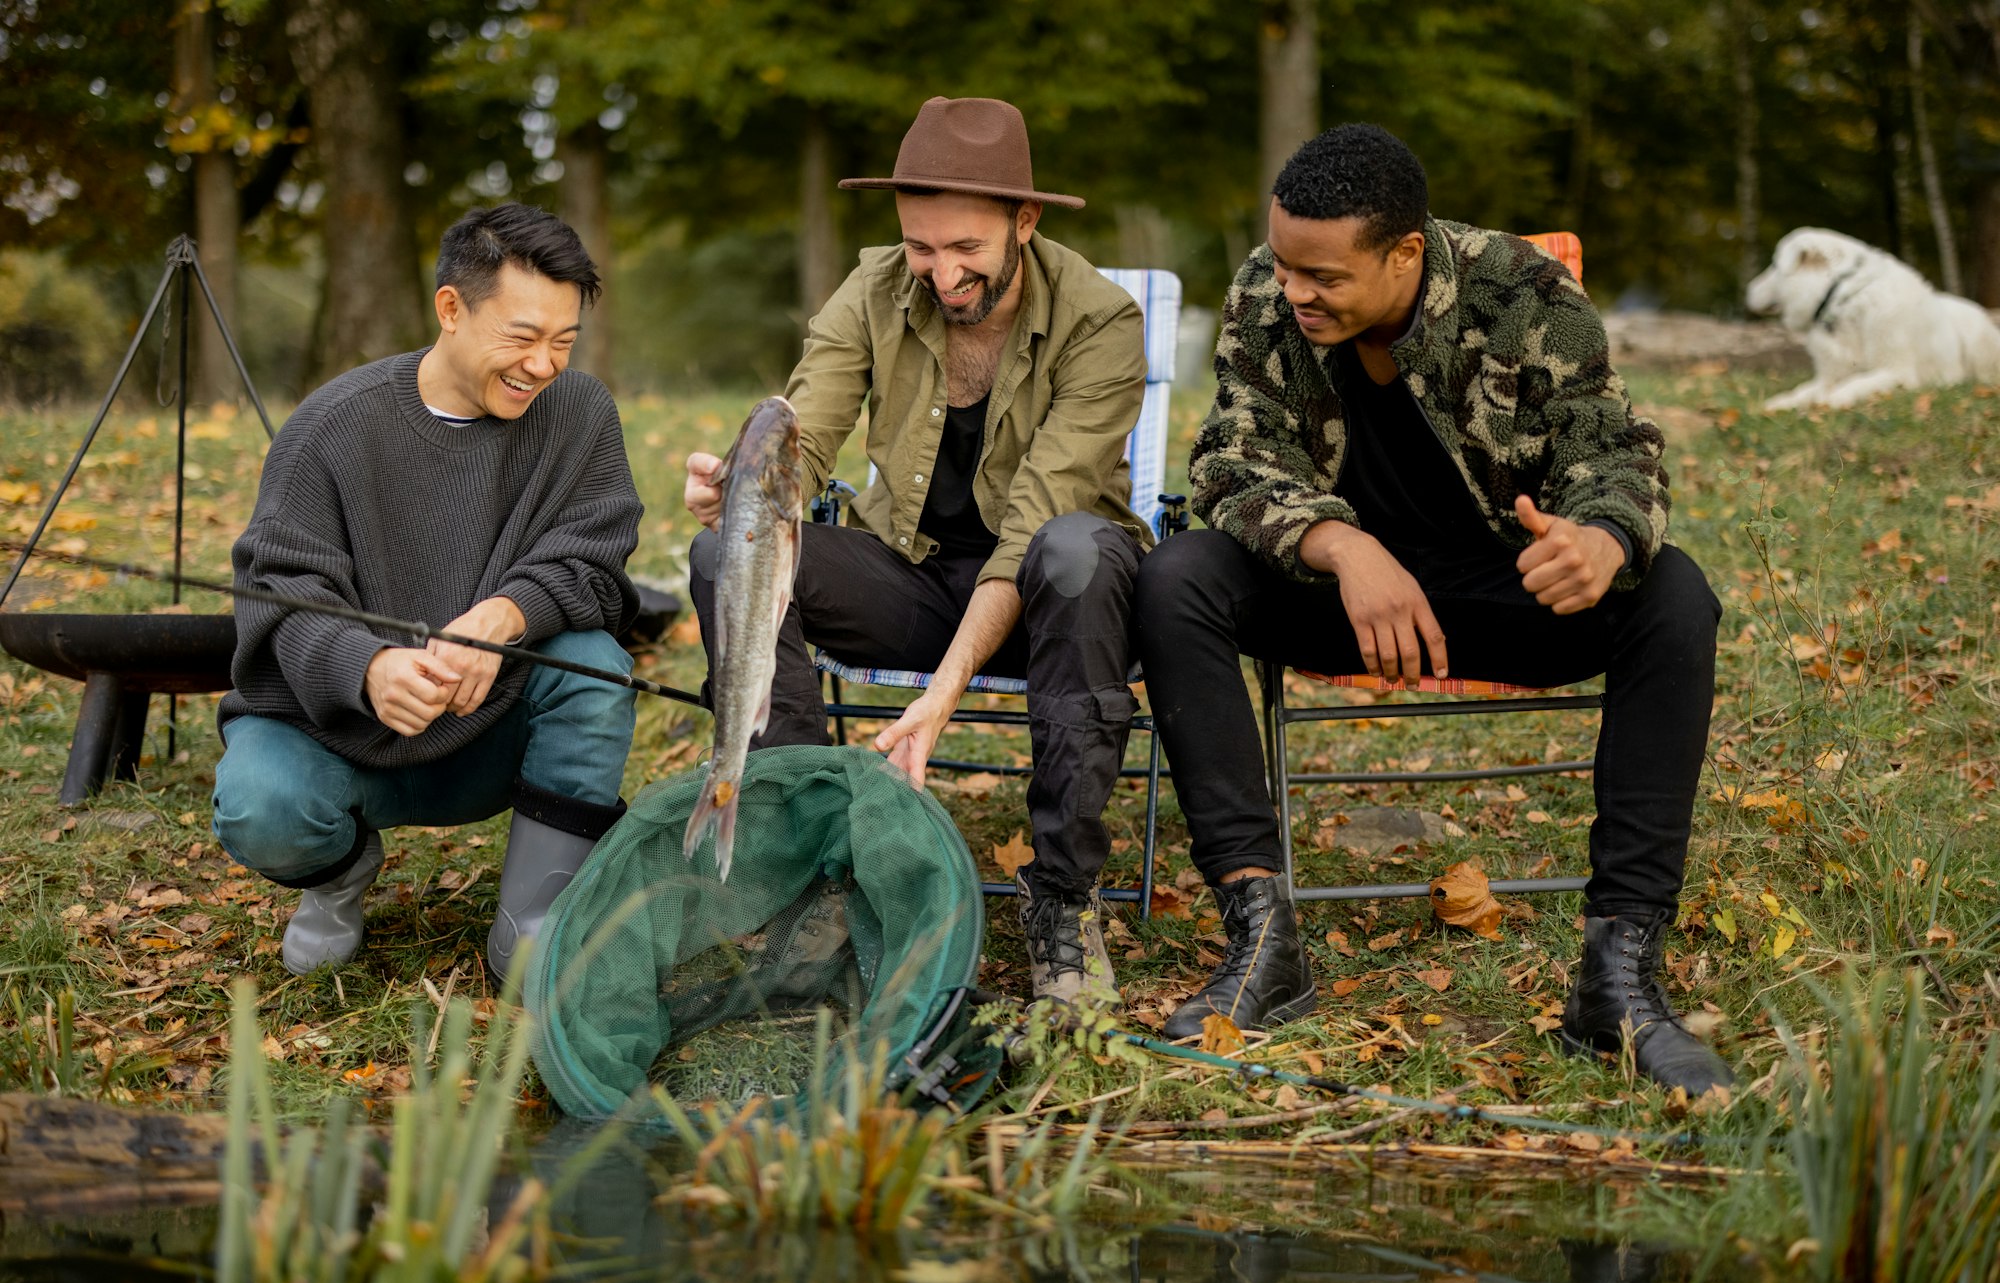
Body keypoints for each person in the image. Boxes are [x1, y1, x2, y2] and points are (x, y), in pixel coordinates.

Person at [1133, 124, 1733, 1096]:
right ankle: (1260, 938)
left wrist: (1600, 539)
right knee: (1176, 576)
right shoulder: (1263, 290)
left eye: (1321, 275)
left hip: (1509, 594)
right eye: (1284, 264)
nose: (1293, 290)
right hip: (1338, 598)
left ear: (1404, 252)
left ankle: (1615, 976)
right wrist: (1343, 545)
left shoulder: (1524, 291)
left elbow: (1615, 446)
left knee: (1674, 594)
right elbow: (1228, 460)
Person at [684, 97, 1149, 1006]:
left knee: (1075, 549)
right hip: (913, 574)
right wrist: (742, 490)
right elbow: (804, 436)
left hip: (1056, 605)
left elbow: (1034, 532)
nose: (941, 272)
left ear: (1026, 219)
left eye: (966, 247)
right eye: (921, 246)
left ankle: (1062, 898)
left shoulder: (1102, 321)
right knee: (716, 558)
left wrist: (943, 696)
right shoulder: (872, 290)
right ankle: (802, 863)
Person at [212, 202, 642, 983]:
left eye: (563, 342)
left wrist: (511, 613)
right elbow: (277, 595)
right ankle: (339, 875)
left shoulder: (581, 415)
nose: (543, 365)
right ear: (451, 309)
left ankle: (534, 917)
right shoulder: (330, 428)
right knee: (257, 801)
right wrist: (365, 667)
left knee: (595, 663)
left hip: (494, 726)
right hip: (337, 733)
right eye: (521, 337)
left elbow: (600, 563)